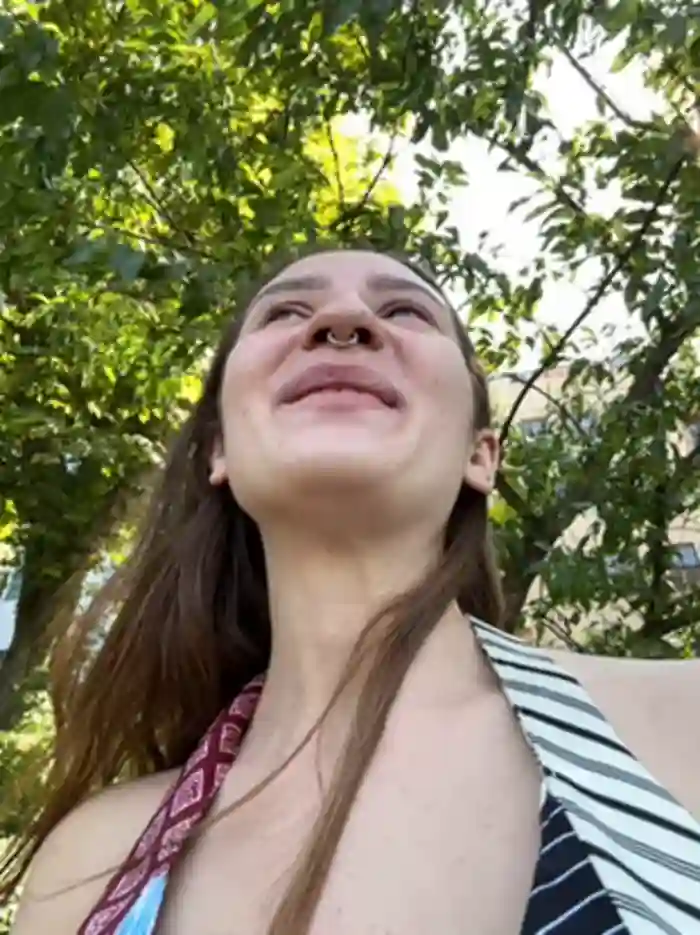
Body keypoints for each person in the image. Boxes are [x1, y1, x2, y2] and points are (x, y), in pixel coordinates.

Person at [4, 246, 700, 935]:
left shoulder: (682, 725)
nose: (343, 319)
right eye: (284, 312)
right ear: (220, 451)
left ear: (480, 455)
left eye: (405, 311)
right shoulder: (91, 866)